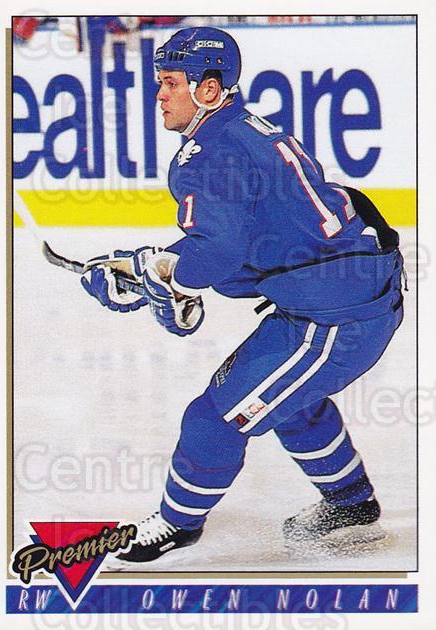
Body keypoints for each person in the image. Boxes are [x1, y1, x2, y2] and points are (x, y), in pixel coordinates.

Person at [81, 27, 404, 563]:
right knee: (291, 402)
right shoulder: (246, 130)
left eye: (170, 83)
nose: (159, 94)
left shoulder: (207, 155)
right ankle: (351, 507)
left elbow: (220, 254)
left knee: (213, 419)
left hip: (335, 317)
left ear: (208, 89)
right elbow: (246, 242)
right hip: (345, 291)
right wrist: (154, 267)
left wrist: (166, 280)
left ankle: (176, 524)